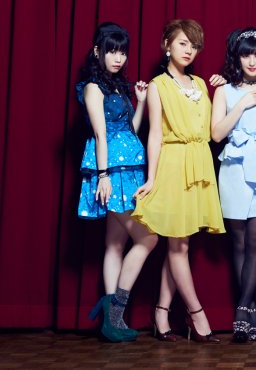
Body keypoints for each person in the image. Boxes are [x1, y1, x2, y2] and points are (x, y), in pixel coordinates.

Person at [132, 19, 225, 343]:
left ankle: (161, 313)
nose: (189, 50)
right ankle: (197, 315)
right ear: (167, 45)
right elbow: (155, 134)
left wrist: (224, 88)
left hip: (199, 164)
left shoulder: (200, 84)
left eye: (194, 45)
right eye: (183, 43)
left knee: (179, 243)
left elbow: (213, 128)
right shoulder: (158, 85)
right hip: (173, 165)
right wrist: (151, 178)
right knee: (179, 245)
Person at [78, 22, 158, 342]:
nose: (118, 58)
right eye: (111, 51)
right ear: (97, 51)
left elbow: (130, 130)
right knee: (148, 238)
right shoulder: (92, 88)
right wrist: (103, 176)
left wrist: (140, 102)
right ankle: (114, 312)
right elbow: (100, 134)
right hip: (112, 173)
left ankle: (111, 321)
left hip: (130, 168)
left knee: (115, 243)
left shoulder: (117, 86)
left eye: (122, 52)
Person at [210, 27, 256, 342]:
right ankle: (250, 309)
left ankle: (241, 309)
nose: (252, 61)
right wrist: (240, 105)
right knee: (238, 243)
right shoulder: (224, 92)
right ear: (237, 57)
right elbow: (216, 134)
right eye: (246, 54)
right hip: (234, 170)